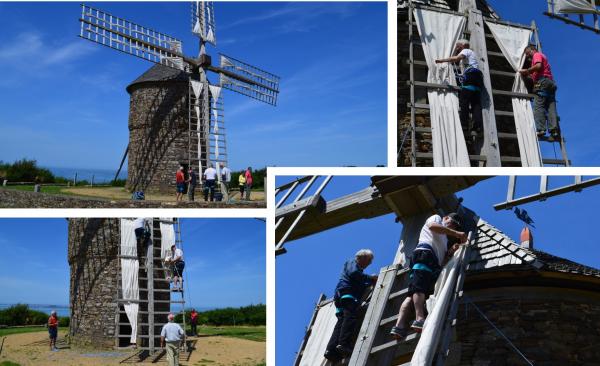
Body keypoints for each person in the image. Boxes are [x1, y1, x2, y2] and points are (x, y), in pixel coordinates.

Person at [390, 213, 467, 340]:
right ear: (446, 218)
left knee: (412, 293)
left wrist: (450, 252)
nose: (453, 227)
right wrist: (457, 234)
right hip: (425, 254)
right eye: (453, 223)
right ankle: (419, 319)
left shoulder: (445, 240)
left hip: (432, 262)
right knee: (419, 289)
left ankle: (399, 326)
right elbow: (432, 226)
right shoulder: (436, 218)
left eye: (455, 227)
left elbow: (442, 262)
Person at [324, 249, 378, 361]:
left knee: (341, 322)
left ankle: (331, 350)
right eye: (369, 260)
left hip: (341, 295)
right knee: (350, 317)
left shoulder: (359, 273)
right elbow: (353, 274)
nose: (369, 264)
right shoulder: (352, 263)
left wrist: (370, 281)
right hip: (346, 292)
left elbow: (361, 283)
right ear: (361, 257)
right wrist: (370, 278)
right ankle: (344, 344)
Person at [436, 39, 484, 135]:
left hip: (471, 76)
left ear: (462, 45)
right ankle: (478, 127)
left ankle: (464, 125)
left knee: (464, 100)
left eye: (458, 46)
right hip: (478, 78)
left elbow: (457, 58)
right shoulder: (472, 55)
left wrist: (441, 60)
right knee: (476, 104)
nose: (457, 49)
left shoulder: (466, 50)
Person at [519, 45, 560, 139]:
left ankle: (541, 129)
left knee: (538, 106)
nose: (529, 57)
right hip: (550, 83)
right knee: (550, 107)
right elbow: (538, 71)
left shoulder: (537, 55)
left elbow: (538, 66)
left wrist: (527, 71)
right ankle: (554, 131)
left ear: (533, 50)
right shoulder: (542, 56)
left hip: (543, 81)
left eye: (528, 54)